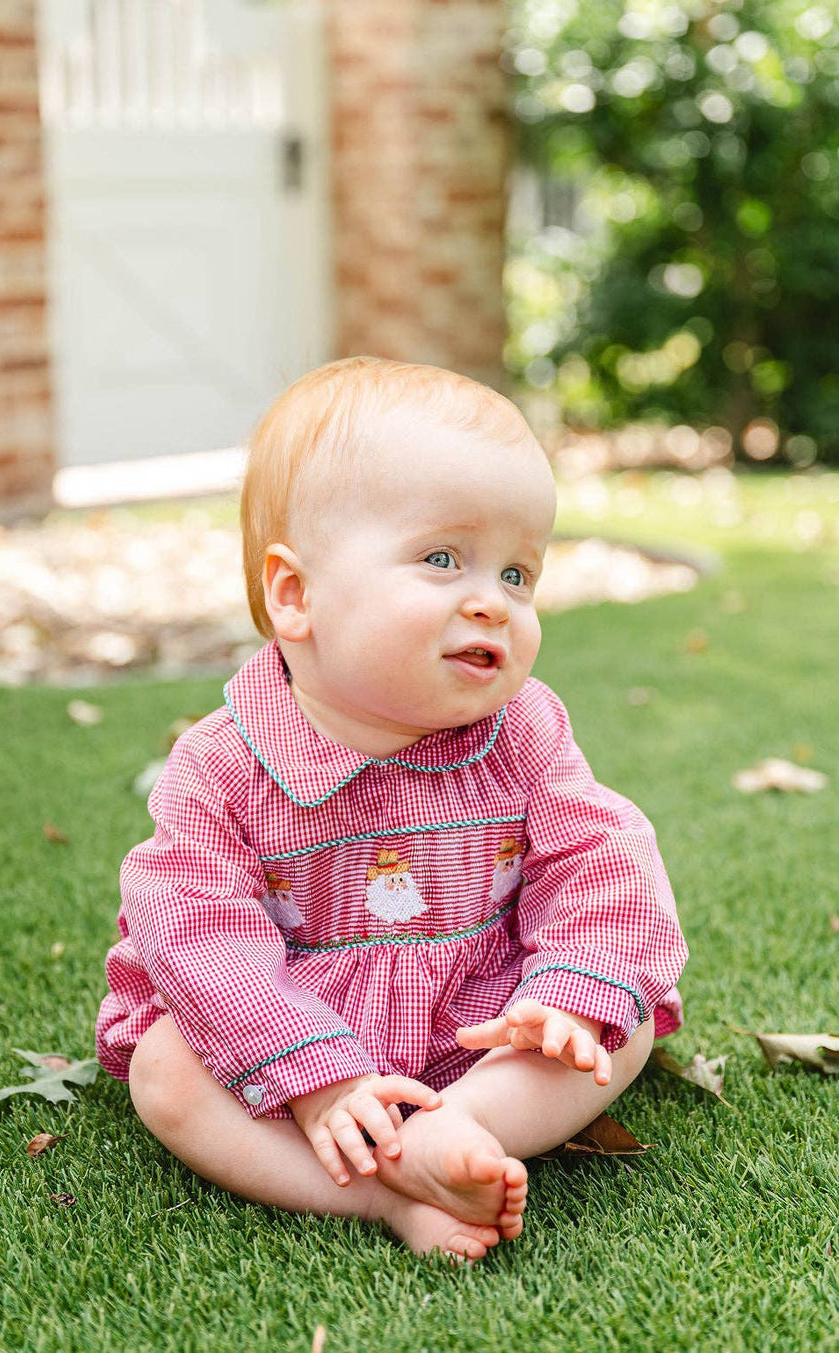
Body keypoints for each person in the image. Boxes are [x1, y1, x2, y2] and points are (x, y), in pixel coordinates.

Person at [97, 357, 688, 1262]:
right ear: (295, 596)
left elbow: (600, 854)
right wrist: (315, 1078)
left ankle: (461, 1127)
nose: (492, 599)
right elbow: (196, 935)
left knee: (626, 1019)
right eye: (443, 558)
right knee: (166, 1069)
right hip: (286, 1030)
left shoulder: (523, 727)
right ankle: (389, 1194)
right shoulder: (224, 764)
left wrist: (567, 991)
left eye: (520, 573)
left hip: (480, 1018)